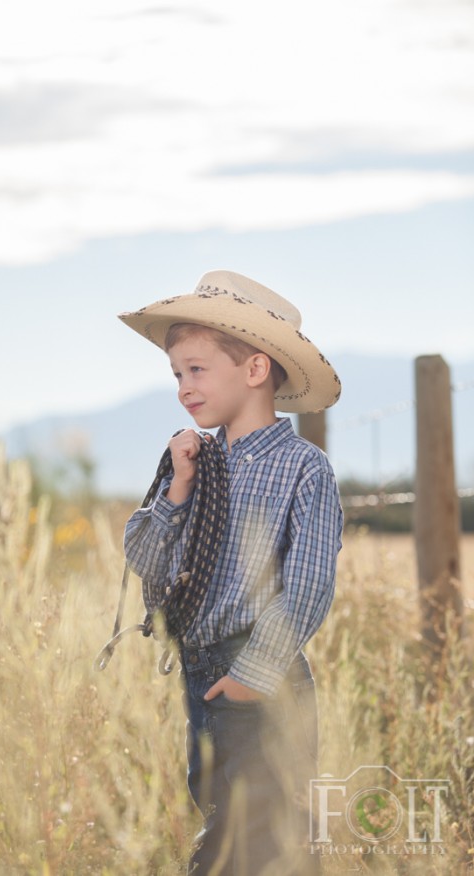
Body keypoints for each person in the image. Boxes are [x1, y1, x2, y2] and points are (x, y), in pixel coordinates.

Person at [118, 270, 343, 875]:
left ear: (254, 370)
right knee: (232, 816)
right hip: (202, 669)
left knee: (250, 835)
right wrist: (177, 490)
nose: (184, 388)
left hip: (260, 672)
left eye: (196, 369)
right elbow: (143, 556)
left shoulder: (303, 468)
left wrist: (254, 672)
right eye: (177, 375)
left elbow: (308, 582)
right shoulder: (194, 463)